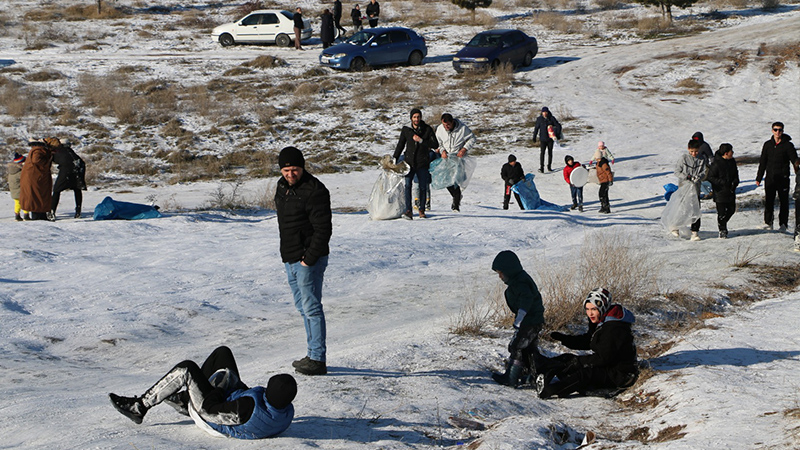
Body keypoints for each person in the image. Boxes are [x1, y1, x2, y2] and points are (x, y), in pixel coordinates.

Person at [108, 346, 297, 439]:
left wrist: (219, 389)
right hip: (229, 403)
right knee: (223, 353)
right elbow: (251, 405)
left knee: (187, 368)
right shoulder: (285, 412)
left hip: (209, 413)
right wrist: (234, 386)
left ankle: (139, 406)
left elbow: (210, 411)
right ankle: (184, 399)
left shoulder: (246, 408)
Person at [275, 147, 333, 376]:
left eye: (295, 170)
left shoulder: (314, 190)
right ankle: (312, 354)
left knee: (311, 307)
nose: (290, 174)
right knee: (302, 307)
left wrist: (309, 259)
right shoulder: (282, 187)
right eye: (286, 170)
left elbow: (323, 229)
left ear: (303, 167)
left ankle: (317, 359)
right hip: (290, 257)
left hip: (308, 259)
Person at [535, 288, 638, 399]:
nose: (590, 313)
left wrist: (579, 362)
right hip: (608, 367)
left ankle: (550, 390)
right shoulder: (601, 319)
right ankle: (541, 374)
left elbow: (603, 358)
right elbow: (590, 340)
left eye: (593, 309)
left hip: (621, 374)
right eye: (587, 309)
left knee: (584, 374)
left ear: (602, 307)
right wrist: (565, 339)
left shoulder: (614, 328)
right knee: (567, 359)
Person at [490, 250, 545, 388]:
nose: (500, 277)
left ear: (510, 270)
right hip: (533, 320)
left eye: (501, 273)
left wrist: (520, 316)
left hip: (530, 321)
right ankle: (533, 375)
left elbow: (527, 299)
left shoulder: (520, 282)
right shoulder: (518, 280)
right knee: (529, 348)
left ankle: (511, 377)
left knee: (517, 346)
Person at [393, 108, 437, 219]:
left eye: (418, 117)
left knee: (423, 186)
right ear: (411, 118)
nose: (416, 119)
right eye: (414, 117)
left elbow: (435, 144)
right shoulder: (407, 130)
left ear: (421, 117)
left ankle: (422, 209)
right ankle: (409, 210)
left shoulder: (427, 129)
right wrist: (395, 157)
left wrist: (422, 141)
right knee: (408, 186)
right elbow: (401, 144)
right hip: (409, 162)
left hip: (422, 162)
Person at [755, 122, 797, 232]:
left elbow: (795, 161)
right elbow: (763, 161)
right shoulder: (767, 145)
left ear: (783, 131)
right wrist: (759, 177)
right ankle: (768, 222)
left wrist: (798, 174)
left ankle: (783, 224)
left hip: (783, 178)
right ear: (772, 130)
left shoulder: (788, 145)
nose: (777, 132)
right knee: (769, 200)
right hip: (770, 178)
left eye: (780, 130)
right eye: (775, 129)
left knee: (783, 202)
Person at [435, 113, 476, 212]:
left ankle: (456, 204)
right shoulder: (440, 129)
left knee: (455, 180)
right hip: (446, 157)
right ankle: (456, 196)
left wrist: (464, 149)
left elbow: (472, 138)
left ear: (452, 122)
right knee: (446, 180)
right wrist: (442, 151)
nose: (446, 127)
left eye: (448, 125)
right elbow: (438, 142)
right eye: (444, 125)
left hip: (458, 157)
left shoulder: (462, 128)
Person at [673, 139, 706, 240]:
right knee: (682, 208)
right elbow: (677, 172)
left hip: (695, 188)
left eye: (696, 151)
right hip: (684, 188)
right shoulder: (683, 158)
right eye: (692, 151)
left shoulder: (702, 159)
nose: (694, 154)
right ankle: (676, 227)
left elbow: (704, 172)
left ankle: (695, 232)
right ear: (688, 149)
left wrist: (698, 177)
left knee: (696, 209)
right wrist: (687, 177)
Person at [48, 138, 87, 219]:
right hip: (77, 170)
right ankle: (78, 210)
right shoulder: (71, 152)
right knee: (77, 189)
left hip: (66, 171)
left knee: (56, 190)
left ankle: (52, 211)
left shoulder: (58, 151)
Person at [706, 143, 739, 239]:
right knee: (721, 213)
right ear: (725, 153)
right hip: (720, 192)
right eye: (731, 151)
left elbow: (736, 173)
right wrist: (722, 182)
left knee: (731, 210)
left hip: (731, 191)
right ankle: (722, 230)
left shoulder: (732, 161)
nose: (732, 153)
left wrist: (736, 182)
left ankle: (722, 223)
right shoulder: (716, 163)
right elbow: (710, 177)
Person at [19, 139, 53, 221]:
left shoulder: (36, 150)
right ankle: (38, 217)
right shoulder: (38, 151)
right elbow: (36, 160)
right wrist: (47, 160)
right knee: (36, 197)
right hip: (36, 178)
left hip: (36, 178)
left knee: (37, 197)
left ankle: (41, 215)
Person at [532, 106, 562, 173]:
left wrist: (557, 134)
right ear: (542, 112)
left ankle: (549, 166)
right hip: (542, 139)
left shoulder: (551, 118)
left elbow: (558, 125)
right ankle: (541, 167)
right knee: (542, 153)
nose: (544, 113)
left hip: (550, 139)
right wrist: (534, 136)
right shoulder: (539, 119)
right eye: (543, 112)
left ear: (548, 112)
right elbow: (536, 128)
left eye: (546, 112)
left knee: (550, 153)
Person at [7, 153, 29, 221]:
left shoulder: (11, 172)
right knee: (25, 202)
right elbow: (26, 179)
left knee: (17, 203)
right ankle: (26, 215)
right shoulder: (20, 173)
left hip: (13, 191)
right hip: (20, 190)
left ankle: (17, 215)